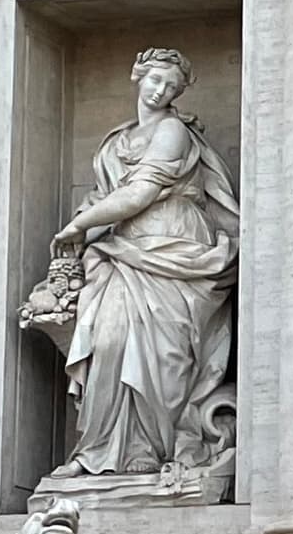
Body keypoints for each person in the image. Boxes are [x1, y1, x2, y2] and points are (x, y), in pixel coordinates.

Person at [23, 48, 239, 492]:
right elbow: (106, 195)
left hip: (174, 246)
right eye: (156, 80)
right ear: (137, 76)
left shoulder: (174, 131)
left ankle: (149, 448)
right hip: (120, 249)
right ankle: (98, 449)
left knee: (164, 351)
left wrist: (81, 224)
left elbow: (140, 193)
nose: (161, 91)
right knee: (109, 338)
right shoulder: (114, 140)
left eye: (172, 87)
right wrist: (87, 227)